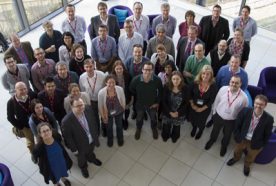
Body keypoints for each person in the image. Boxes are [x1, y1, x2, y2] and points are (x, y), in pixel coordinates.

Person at [227, 95, 274, 176]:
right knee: (237, 150)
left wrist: (262, 144)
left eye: (261, 104)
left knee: (251, 156)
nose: (258, 106)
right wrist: (237, 136)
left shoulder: (269, 119)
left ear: (265, 105)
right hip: (242, 138)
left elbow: (267, 134)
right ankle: (236, 158)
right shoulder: (245, 111)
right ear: (254, 103)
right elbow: (237, 125)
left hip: (256, 141)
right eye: (256, 103)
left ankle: (247, 165)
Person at [205, 76, 248, 157]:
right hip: (218, 116)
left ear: (240, 84)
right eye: (232, 82)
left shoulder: (244, 98)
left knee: (227, 134)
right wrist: (214, 113)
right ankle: (212, 140)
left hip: (231, 120)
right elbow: (216, 101)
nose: (234, 84)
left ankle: (224, 146)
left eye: (236, 83)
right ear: (229, 82)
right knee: (215, 130)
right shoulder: (223, 89)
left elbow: (243, 113)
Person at [62, 98, 102, 178]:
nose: (81, 107)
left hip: (91, 139)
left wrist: (96, 135)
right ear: (72, 107)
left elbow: (93, 122)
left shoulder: (88, 109)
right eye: (78, 106)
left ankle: (92, 158)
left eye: (82, 104)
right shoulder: (66, 121)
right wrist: (74, 149)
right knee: (81, 158)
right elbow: (68, 138)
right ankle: (83, 168)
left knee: (91, 151)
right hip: (79, 146)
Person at [129, 62, 163, 140]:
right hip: (140, 104)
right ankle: (139, 128)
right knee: (139, 118)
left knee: (153, 118)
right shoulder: (136, 80)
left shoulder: (157, 80)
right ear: (142, 70)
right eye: (145, 69)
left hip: (152, 105)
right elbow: (131, 89)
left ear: (152, 70)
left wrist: (157, 103)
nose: (147, 72)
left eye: (150, 70)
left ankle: (154, 128)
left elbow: (161, 92)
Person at [79, 58, 106, 136]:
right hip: (90, 101)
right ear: (84, 67)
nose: (89, 69)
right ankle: (97, 131)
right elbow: (82, 91)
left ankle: (104, 129)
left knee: (103, 114)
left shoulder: (101, 75)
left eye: (90, 66)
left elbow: (105, 87)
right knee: (94, 117)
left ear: (94, 66)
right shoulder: (82, 77)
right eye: (87, 67)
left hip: (101, 99)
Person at [189, 65, 217, 140]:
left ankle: (200, 131)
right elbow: (189, 94)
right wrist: (192, 105)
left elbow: (212, 100)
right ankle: (194, 128)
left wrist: (202, 109)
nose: (205, 76)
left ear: (211, 75)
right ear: (200, 74)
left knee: (202, 122)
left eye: (208, 74)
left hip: (205, 108)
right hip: (193, 106)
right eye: (203, 73)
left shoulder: (213, 86)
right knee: (193, 119)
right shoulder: (195, 82)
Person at [7, 82, 36, 153]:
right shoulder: (11, 102)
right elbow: (10, 118)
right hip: (25, 125)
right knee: (31, 142)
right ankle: (34, 154)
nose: (23, 91)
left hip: (36, 120)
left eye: (25, 89)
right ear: (15, 90)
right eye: (21, 90)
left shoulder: (31, 95)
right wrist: (21, 127)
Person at [98, 75, 126, 147]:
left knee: (119, 126)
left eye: (113, 82)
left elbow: (123, 99)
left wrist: (123, 108)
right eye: (109, 83)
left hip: (118, 111)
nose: (111, 85)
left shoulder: (120, 89)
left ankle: (120, 139)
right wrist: (103, 116)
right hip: (108, 113)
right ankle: (110, 140)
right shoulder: (101, 92)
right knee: (109, 127)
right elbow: (100, 106)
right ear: (106, 83)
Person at [162, 71, 189, 142]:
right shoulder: (166, 86)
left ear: (181, 79)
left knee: (176, 127)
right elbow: (163, 101)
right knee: (166, 126)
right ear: (171, 79)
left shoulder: (185, 88)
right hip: (167, 112)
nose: (176, 81)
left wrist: (178, 113)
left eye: (178, 79)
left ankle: (175, 137)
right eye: (174, 79)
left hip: (179, 114)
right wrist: (170, 112)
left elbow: (186, 103)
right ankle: (165, 136)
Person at [111, 60, 132, 130]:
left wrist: (131, 97)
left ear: (123, 68)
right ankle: (121, 120)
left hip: (126, 97)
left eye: (121, 68)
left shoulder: (128, 75)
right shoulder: (111, 77)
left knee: (126, 110)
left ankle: (126, 119)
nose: (119, 70)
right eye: (117, 69)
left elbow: (130, 87)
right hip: (116, 98)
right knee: (119, 111)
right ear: (114, 69)